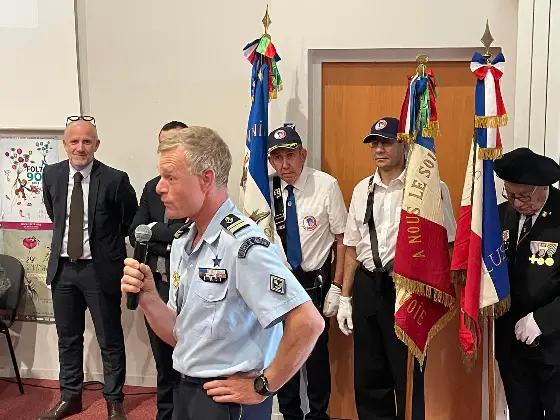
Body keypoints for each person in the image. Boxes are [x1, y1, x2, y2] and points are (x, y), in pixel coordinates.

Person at [120, 126, 325, 420]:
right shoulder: (183, 241)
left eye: (171, 177)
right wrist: (149, 298)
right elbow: (182, 335)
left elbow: (308, 323)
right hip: (188, 389)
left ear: (206, 179)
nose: (158, 187)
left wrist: (264, 385)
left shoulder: (242, 245)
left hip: (228, 402)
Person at [336, 117, 456, 420]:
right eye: (374, 143)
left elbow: (449, 243)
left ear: (404, 144)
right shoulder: (362, 189)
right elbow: (351, 246)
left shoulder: (429, 188)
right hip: (367, 287)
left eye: (386, 142)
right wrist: (345, 298)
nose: (379, 149)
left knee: (407, 376)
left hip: (408, 289)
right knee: (368, 376)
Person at [39, 116, 138, 420]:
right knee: (68, 338)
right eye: (74, 141)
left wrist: (105, 248)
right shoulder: (51, 175)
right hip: (64, 271)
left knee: (110, 339)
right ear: (65, 144)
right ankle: (70, 396)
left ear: (97, 144)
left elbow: (128, 221)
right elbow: (54, 214)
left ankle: (114, 400)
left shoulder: (115, 179)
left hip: (100, 271)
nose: (80, 147)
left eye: (86, 141)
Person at [267, 125, 347, 420]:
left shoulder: (325, 186)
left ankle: (318, 414)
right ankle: (289, 414)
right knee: (282, 353)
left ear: (303, 154)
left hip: (314, 284)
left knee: (315, 357)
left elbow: (343, 239)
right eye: (277, 158)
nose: (285, 165)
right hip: (277, 286)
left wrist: (338, 287)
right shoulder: (267, 188)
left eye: (290, 156)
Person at [494, 147, 560, 420]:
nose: (518, 203)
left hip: (554, 343)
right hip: (512, 345)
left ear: (543, 187)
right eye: (510, 194)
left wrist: (543, 320)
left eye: (524, 196)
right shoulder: (499, 216)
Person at [128, 120, 188, 420]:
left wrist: (154, 232)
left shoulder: (195, 186)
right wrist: (162, 232)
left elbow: (184, 232)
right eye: (163, 144)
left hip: (188, 286)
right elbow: (134, 232)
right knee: (163, 361)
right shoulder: (151, 188)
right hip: (157, 285)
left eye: (174, 144)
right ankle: (165, 415)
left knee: (186, 358)